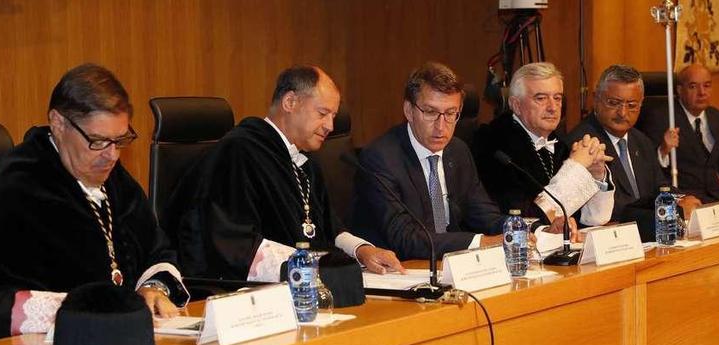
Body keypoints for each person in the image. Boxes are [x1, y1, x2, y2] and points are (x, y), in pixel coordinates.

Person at [0, 63, 189, 345]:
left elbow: (154, 247)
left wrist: (153, 288)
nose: (112, 156)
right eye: (98, 141)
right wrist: (77, 312)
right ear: (58, 123)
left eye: (120, 140)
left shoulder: (114, 181)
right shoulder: (16, 191)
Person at [172, 65, 403, 281]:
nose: (330, 126)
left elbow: (328, 228)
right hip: (255, 296)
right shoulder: (238, 154)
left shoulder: (305, 162)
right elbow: (235, 244)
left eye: (333, 115)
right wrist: (319, 267)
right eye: (323, 113)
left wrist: (361, 250)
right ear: (290, 102)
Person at [351, 62, 505, 260]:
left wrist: (525, 231)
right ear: (409, 110)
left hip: (451, 265)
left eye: (450, 114)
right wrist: (480, 243)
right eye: (431, 112)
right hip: (401, 269)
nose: (441, 127)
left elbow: (484, 214)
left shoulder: (458, 151)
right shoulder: (380, 158)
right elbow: (406, 238)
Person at [472, 62, 614, 231]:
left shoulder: (559, 143)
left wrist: (596, 176)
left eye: (557, 98)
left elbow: (595, 219)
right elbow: (525, 218)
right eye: (541, 98)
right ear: (516, 105)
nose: (553, 108)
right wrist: (576, 167)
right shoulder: (493, 145)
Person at [566, 64, 702, 239]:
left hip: (645, 236)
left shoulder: (641, 141)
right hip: (610, 240)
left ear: (641, 104)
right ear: (596, 99)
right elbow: (613, 212)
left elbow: (659, 186)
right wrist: (677, 211)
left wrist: (682, 199)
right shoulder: (582, 144)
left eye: (631, 105)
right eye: (614, 103)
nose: (623, 112)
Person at [638, 63, 719, 203]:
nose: (702, 92)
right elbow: (649, 169)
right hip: (686, 200)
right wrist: (663, 150)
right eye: (693, 86)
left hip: (718, 199)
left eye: (707, 85)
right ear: (680, 90)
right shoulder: (661, 118)